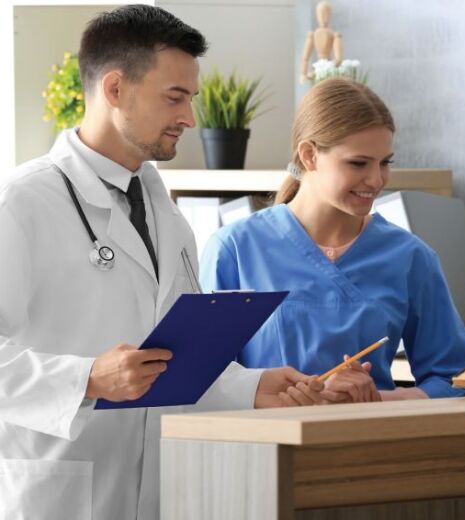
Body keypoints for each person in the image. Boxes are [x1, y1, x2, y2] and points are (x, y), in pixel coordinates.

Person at [0, 6, 321, 519]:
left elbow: (169, 360)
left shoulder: (165, 212)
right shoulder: (19, 203)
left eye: (190, 98)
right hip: (59, 495)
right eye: (175, 97)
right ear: (114, 90)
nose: (190, 118)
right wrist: (86, 378)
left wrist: (254, 385)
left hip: (163, 490)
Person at [200, 78, 465, 403]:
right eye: (358, 163)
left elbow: (458, 381)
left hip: (365, 447)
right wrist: (268, 394)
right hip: (260, 448)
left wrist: (375, 401)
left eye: (385, 162)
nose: (376, 180)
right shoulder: (235, 249)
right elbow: (202, 379)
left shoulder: (410, 257)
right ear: (309, 155)